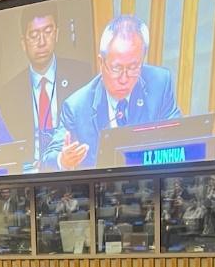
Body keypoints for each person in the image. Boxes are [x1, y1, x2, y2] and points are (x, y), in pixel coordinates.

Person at [46, 15, 181, 171]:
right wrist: (63, 160)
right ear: (101, 62)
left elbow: (179, 137)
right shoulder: (77, 107)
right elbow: (49, 158)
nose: (124, 79)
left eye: (133, 67)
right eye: (116, 68)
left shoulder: (160, 83)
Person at [0, 2, 89, 168]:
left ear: (56, 34)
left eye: (47, 32)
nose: (42, 42)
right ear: (23, 43)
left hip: (73, 170)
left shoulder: (81, 75)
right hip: (28, 179)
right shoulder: (9, 92)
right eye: (34, 35)